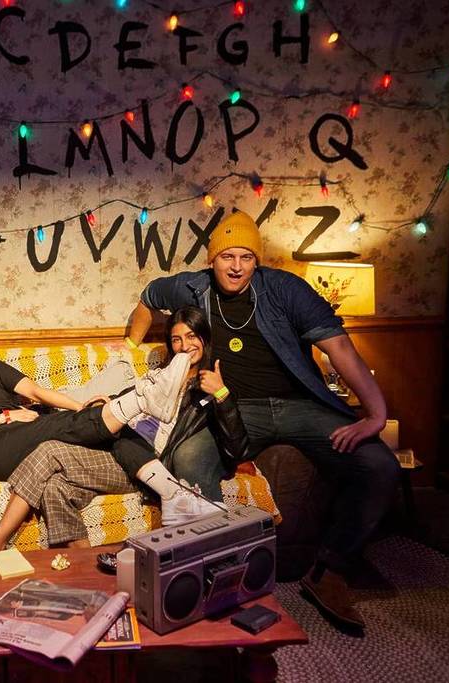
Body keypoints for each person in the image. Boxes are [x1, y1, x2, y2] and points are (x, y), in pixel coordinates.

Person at [125, 209, 400, 630]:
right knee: (189, 462)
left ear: (257, 260)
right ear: (211, 259)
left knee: (380, 465)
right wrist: (128, 348)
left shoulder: (286, 289)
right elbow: (147, 296)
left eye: (246, 258)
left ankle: (328, 570)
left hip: (299, 405)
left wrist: (377, 414)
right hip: (233, 406)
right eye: (227, 257)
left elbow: (340, 348)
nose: (236, 267)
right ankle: (210, 575)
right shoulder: (190, 286)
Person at [0, 318, 213, 550]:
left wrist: (80, 408)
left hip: (25, 434)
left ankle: (80, 564)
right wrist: (6, 415)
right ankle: (139, 401)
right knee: (50, 433)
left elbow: (37, 392)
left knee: (54, 480)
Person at [0, 306, 247, 552]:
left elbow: (236, 446)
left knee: (50, 450)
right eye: (176, 339)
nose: (184, 346)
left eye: (191, 337)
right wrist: (109, 402)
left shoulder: (212, 383)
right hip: (118, 449)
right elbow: (129, 398)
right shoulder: (160, 374)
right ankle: (85, 572)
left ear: (204, 338)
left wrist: (222, 395)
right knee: (55, 486)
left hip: (147, 465)